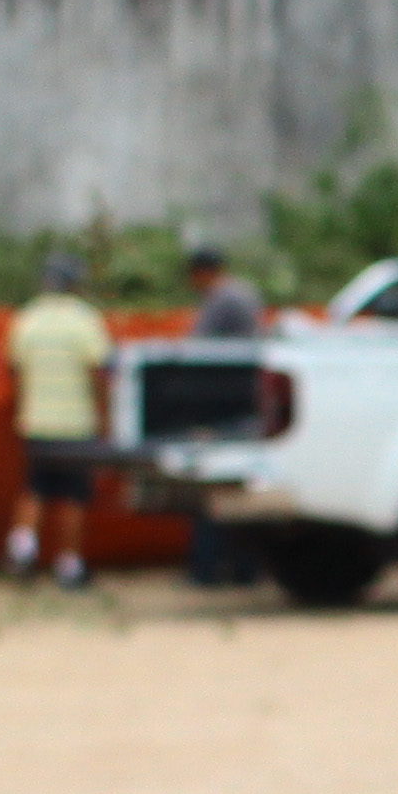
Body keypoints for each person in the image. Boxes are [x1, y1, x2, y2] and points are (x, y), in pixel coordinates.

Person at [6, 255, 114, 584]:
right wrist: (103, 414)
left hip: (36, 421)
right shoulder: (85, 321)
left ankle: (22, 551)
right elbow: (99, 370)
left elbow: (14, 368)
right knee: (74, 494)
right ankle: (69, 566)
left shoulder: (26, 320)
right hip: (76, 423)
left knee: (35, 487)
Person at [178, 244, 267, 585]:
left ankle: (208, 569)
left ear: (201, 272)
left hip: (224, 407)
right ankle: (244, 568)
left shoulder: (222, 300)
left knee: (213, 487)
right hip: (246, 402)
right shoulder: (244, 293)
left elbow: (196, 349)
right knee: (241, 485)